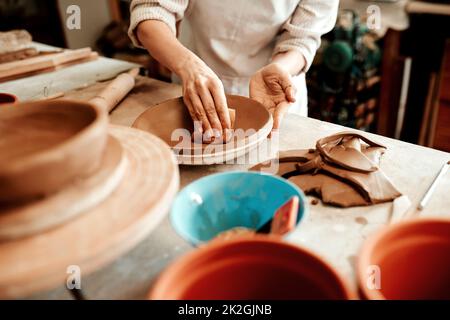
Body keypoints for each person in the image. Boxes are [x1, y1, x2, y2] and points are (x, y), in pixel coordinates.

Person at [129, 0, 339, 141]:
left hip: (272, 92)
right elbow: (150, 12)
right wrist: (188, 66)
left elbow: (302, 39)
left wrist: (281, 68)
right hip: (195, 80)